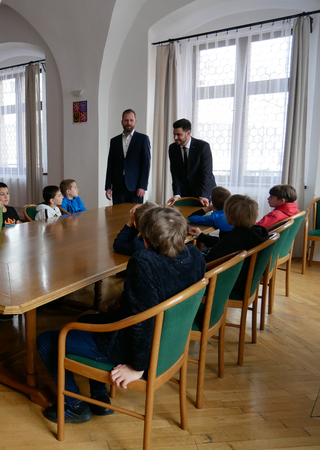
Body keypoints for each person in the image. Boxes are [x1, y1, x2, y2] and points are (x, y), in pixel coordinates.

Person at [37, 207, 206, 423]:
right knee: (86, 320)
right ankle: (99, 396)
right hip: (169, 344)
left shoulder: (145, 261)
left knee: (46, 341)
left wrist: (137, 367)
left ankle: (74, 406)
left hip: (136, 348)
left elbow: (143, 321)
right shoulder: (195, 255)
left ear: (146, 241)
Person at [105, 109, 151, 204]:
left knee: (135, 212)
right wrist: (108, 186)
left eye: (131, 120)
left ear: (135, 122)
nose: (128, 123)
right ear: (122, 122)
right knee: (118, 213)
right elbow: (110, 164)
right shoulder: (114, 141)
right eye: (126, 120)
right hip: (118, 187)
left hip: (135, 187)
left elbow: (146, 164)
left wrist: (142, 186)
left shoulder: (143, 139)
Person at [167, 118, 216, 206]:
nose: (175, 138)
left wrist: (203, 195)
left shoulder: (202, 147)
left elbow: (206, 173)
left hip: (203, 191)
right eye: (174, 134)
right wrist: (177, 194)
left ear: (188, 133)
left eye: (178, 134)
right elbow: (175, 173)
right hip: (185, 192)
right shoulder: (173, 148)